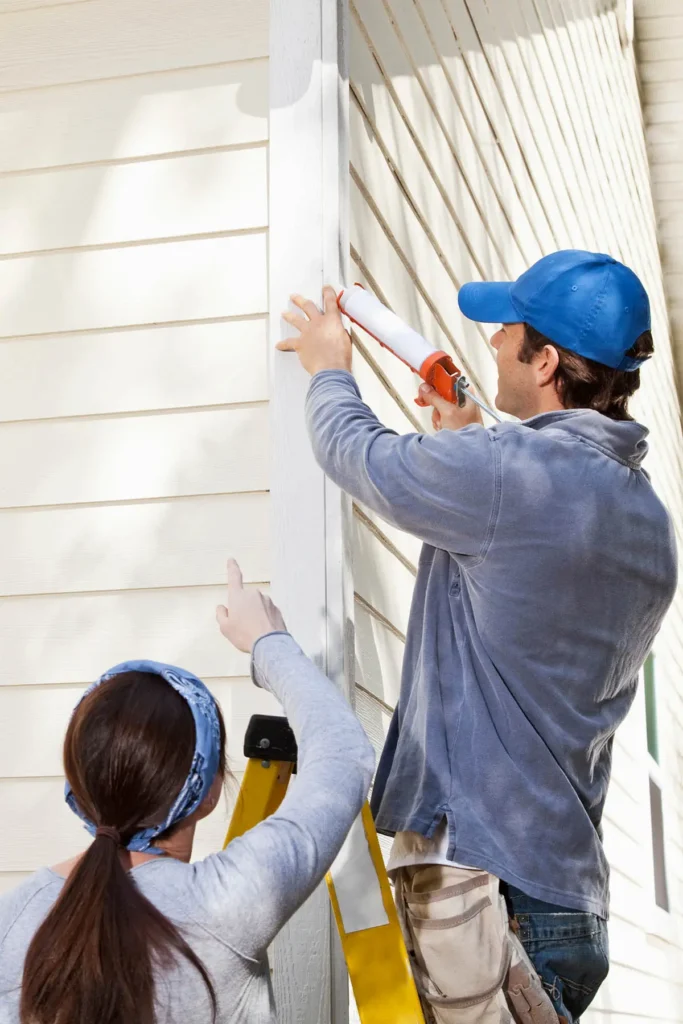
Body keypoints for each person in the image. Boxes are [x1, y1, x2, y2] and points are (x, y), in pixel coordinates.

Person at [278, 250, 678, 1024]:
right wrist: (464, 433)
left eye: (505, 329)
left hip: (482, 889)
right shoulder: (649, 520)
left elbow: (352, 452)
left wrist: (329, 367)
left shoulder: (506, 473)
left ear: (548, 360)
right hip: (567, 899)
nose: (490, 341)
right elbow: (527, 575)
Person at [0, 560, 374, 1024]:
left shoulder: (12, 921)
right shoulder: (223, 904)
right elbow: (342, 756)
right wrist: (267, 641)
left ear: (79, 784)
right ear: (209, 791)